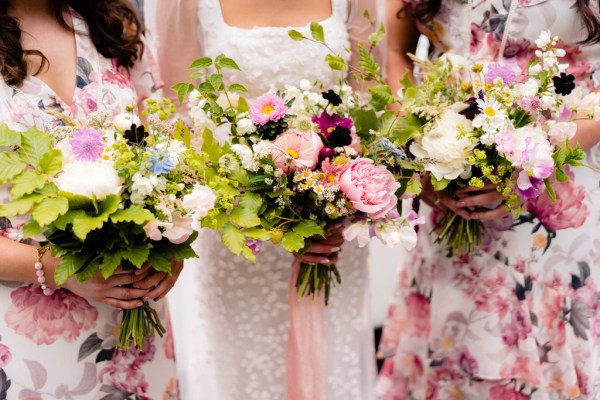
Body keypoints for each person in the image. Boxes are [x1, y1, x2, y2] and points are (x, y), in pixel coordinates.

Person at [153, 0, 384, 398]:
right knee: (245, 372)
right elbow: (179, 120)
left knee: (333, 363)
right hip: (240, 234)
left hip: (329, 228)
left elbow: (371, 104)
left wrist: (338, 205)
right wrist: (264, 208)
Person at [377, 0, 600, 398]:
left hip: (563, 192)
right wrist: (418, 150)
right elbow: (396, 51)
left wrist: (533, 153)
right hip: (451, 193)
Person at [0, 1, 181, 397]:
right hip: (33, 346)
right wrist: (55, 264)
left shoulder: (111, 25)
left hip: (137, 332)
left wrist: (172, 246)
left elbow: (166, 156)